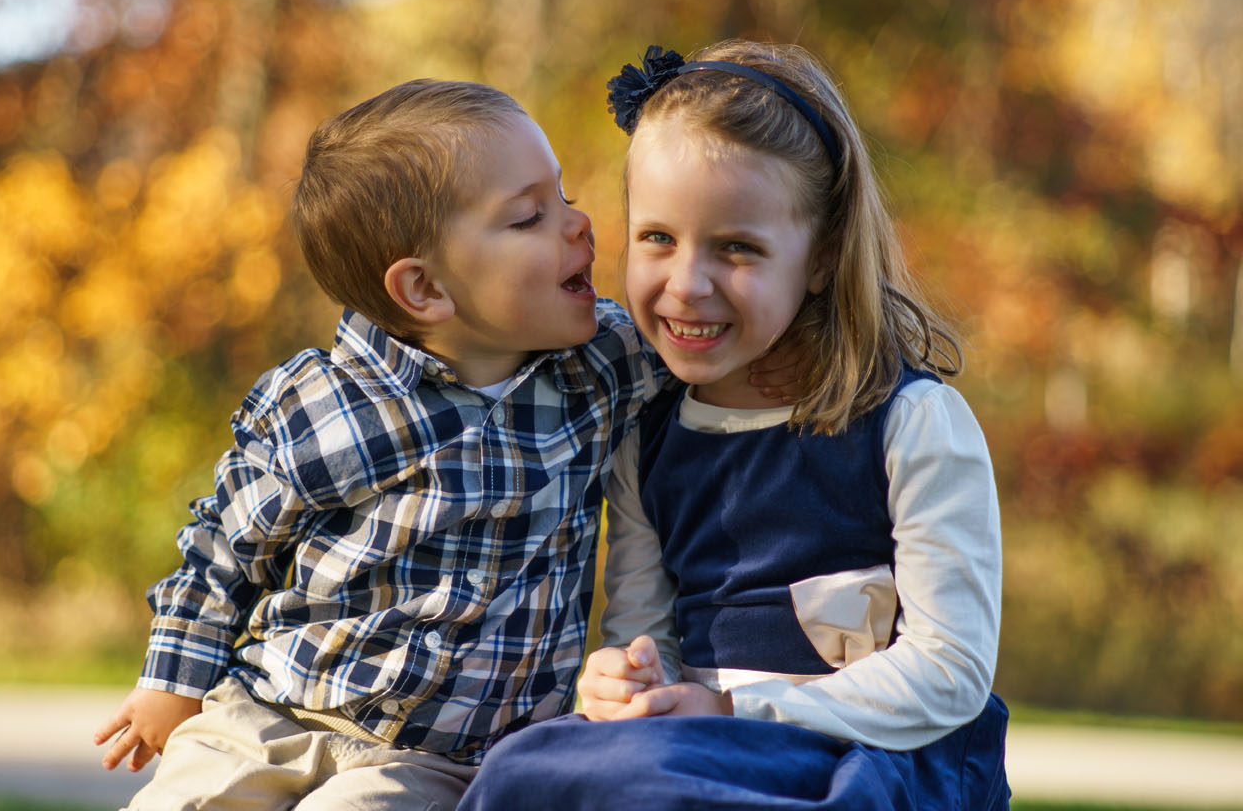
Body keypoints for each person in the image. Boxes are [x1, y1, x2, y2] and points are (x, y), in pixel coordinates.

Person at [92, 78, 673, 810]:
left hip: (432, 760)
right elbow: (222, 548)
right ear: (424, 291)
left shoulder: (604, 367)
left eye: (566, 194)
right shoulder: (326, 405)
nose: (580, 223)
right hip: (269, 713)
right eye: (530, 217)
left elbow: (719, 350)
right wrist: (170, 683)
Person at [457, 41, 1010, 810]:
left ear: (820, 259)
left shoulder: (910, 423)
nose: (687, 284)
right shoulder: (647, 439)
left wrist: (732, 711)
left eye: (738, 249)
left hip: (869, 750)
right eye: (657, 238)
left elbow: (948, 671)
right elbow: (645, 636)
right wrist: (628, 680)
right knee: (526, 769)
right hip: (697, 743)